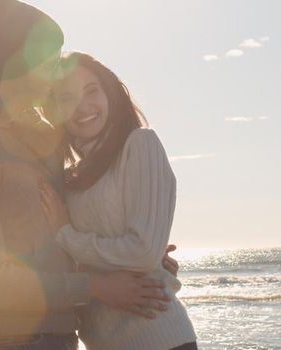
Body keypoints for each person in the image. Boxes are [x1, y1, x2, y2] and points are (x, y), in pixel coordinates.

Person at [0, 1, 180, 349]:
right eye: (49, 63)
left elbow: (58, 236)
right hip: (3, 339)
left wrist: (132, 257)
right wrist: (97, 285)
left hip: (62, 336)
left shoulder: (42, 134)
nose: (57, 74)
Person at [39, 51, 198, 350]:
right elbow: (60, 262)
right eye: (67, 98)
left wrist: (66, 234)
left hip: (158, 338)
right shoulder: (70, 178)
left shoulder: (140, 144)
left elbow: (142, 253)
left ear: (109, 92)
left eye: (92, 91)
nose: (83, 106)